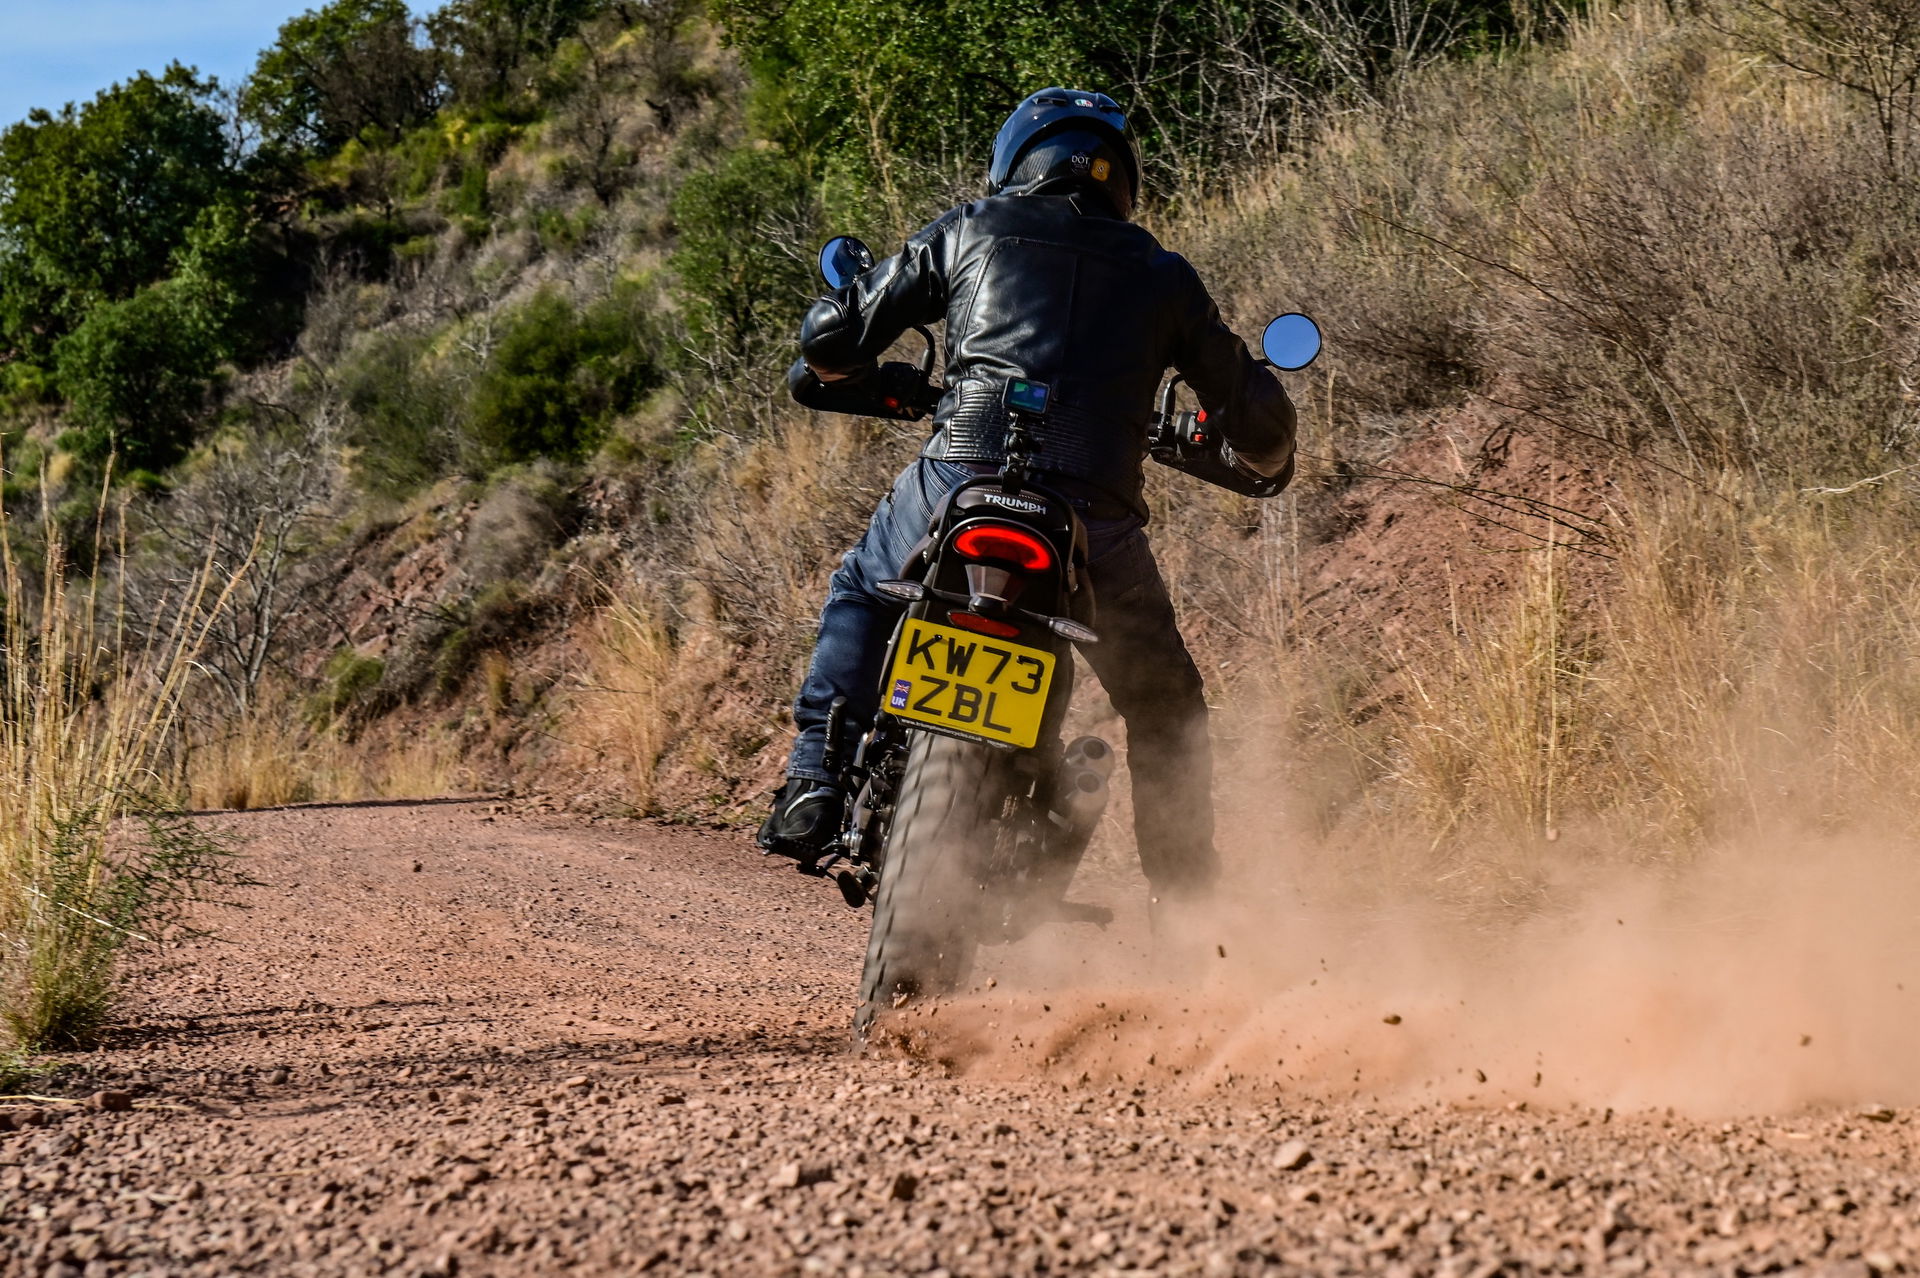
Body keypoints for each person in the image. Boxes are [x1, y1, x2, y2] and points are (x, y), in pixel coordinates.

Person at [758, 88, 1297, 906]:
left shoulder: (971, 228)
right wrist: (1254, 437)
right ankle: (1185, 903)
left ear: (1018, 161)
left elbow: (830, 341)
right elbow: (1261, 426)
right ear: (1122, 179)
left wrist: (847, 361)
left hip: (959, 478)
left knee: (864, 589)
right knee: (1164, 703)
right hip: (1095, 517)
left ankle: (813, 780)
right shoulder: (1163, 275)